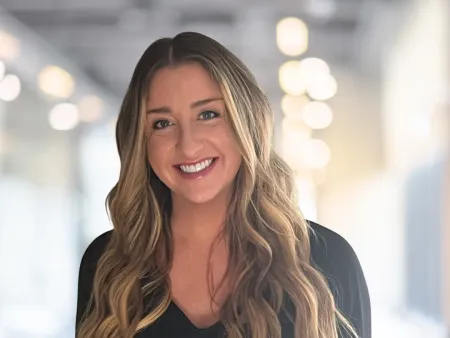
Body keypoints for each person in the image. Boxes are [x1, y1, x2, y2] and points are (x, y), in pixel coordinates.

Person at [76, 32, 371, 338]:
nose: (188, 146)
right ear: (140, 139)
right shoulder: (108, 265)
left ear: (247, 122)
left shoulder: (325, 262)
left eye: (208, 114)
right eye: (162, 123)